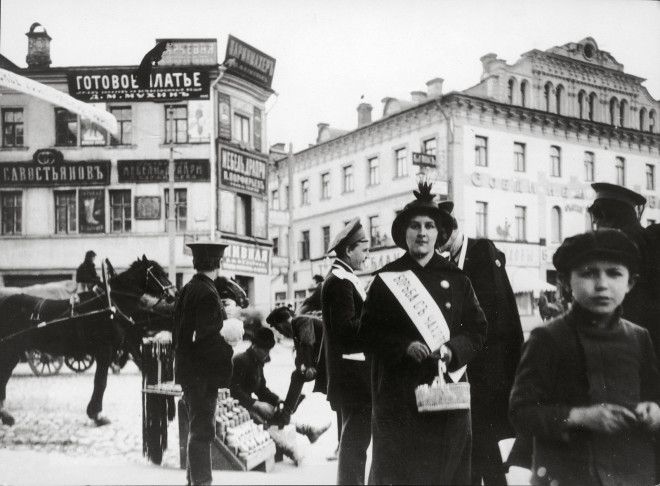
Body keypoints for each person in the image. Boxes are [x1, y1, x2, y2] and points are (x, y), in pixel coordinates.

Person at [359, 181, 487, 485]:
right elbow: (366, 333)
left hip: (447, 397)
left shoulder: (457, 279)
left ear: (439, 234)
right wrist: (403, 346)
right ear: (405, 233)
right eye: (415, 225)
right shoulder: (386, 280)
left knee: (446, 471)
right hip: (398, 397)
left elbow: (478, 329)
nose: (422, 232)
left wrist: (451, 350)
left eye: (429, 226)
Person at [509, 229, 660, 486]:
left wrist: (655, 411)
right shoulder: (547, 338)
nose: (602, 284)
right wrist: (579, 416)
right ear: (566, 281)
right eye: (588, 273)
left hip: (631, 472)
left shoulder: (638, 337)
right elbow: (521, 412)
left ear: (630, 282)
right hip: (568, 473)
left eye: (614, 273)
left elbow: (653, 393)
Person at [437, 201, 524, 486]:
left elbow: (495, 313)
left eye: (442, 240)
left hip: (490, 364)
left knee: (482, 435)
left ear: (452, 232)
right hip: (469, 362)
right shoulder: (451, 260)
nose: (440, 248)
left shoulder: (481, 251)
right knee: (475, 437)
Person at [172, 242, 234, 486]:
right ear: (218, 263)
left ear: (196, 263)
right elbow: (208, 340)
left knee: (196, 429)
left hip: (189, 372)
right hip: (202, 375)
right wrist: (229, 344)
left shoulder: (188, 289)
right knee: (202, 432)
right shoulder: (208, 294)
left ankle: (193, 481)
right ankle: (202, 482)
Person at [320, 217, 371, 485]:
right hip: (353, 376)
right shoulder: (340, 282)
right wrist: (377, 320)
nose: (366, 255)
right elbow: (347, 331)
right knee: (355, 442)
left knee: (354, 441)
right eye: (363, 249)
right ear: (348, 250)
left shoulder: (343, 278)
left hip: (351, 375)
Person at [230, 327, 329, 458]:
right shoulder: (240, 360)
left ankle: (309, 431)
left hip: (249, 403)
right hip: (237, 406)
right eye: (264, 350)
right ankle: (289, 450)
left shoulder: (257, 362)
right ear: (255, 346)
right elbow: (233, 390)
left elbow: (261, 389)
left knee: (277, 412)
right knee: (260, 421)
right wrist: (256, 404)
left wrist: (277, 400)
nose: (267, 354)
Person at [588, 182, 660, 358]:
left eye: (597, 216)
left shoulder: (617, 245)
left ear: (608, 215)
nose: (596, 223)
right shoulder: (651, 238)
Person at [266, 306, 326, 425]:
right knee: (297, 375)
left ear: (283, 323)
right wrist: (301, 366)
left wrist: (308, 366)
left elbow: (307, 343)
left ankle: (287, 411)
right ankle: (289, 409)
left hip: (331, 360)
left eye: (278, 329)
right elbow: (299, 355)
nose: (280, 332)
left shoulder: (301, 321)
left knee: (298, 376)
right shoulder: (295, 329)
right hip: (324, 360)